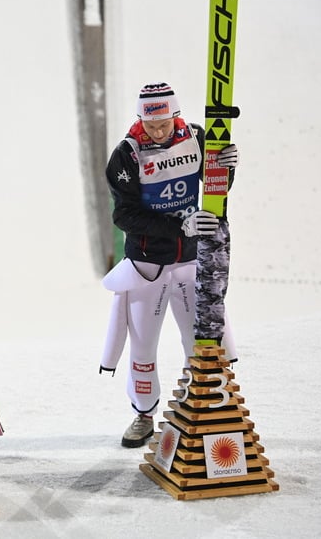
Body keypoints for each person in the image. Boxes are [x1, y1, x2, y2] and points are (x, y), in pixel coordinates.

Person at [100, 82, 239, 448]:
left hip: (191, 260)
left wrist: (227, 167)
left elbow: (216, 189)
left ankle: (204, 403)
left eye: (164, 123)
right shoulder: (126, 155)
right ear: (140, 119)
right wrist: (179, 225)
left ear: (175, 115)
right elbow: (124, 215)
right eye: (151, 125)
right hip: (148, 266)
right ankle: (143, 415)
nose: (158, 132)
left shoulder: (195, 137)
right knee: (144, 346)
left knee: (199, 338)